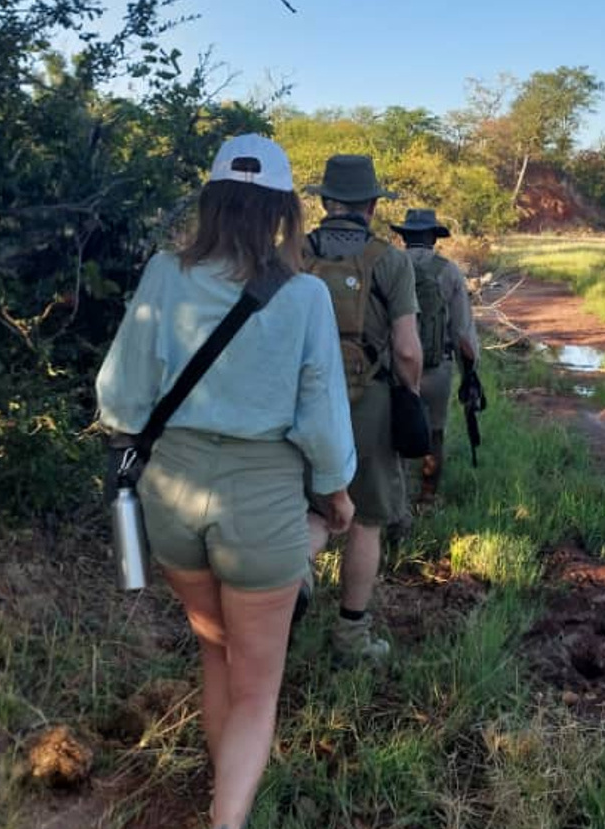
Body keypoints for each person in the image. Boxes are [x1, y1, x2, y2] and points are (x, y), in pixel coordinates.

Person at [96, 134, 356, 829]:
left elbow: (118, 396)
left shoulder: (162, 273)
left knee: (215, 647)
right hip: (260, 495)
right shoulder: (303, 296)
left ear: (212, 202)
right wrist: (336, 497)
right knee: (256, 686)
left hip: (171, 492)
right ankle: (228, 818)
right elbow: (323, 423)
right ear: (282, 211)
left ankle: (223, 792)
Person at [301, 154, 423, 666]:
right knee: (367, 520)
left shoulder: (295, 254)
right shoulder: (391, 261)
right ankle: (351, 637)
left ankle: (293, 584)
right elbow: (408, 349)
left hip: (301, 400)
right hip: (367, 400)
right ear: (373, 205)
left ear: (326, 201)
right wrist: (409, 397)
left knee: (309, 509)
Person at [391, 208, 479, 502]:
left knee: (393, 429)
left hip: (394, 365)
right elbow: (463, 332)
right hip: (436, 367)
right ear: (433, 237)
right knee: (435, 432)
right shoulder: (449, 270)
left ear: (404, 236)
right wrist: (471, 373)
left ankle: (396, 495)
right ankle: (428, 496)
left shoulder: (387, 264)